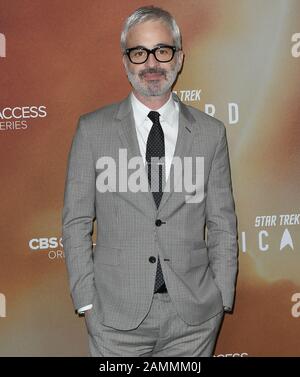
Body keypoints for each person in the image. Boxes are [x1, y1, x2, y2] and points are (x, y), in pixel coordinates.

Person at [62, 5, 238, 357]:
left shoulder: (210, 133)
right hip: (115, 321)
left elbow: (222, 224)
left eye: (163, 50)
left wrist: (219, 298)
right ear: (126, 61)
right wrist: (87, 303)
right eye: (139, 52)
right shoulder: (93, 130)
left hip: (193, 322)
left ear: (179, 57)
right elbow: (76, 221)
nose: (152, 63)